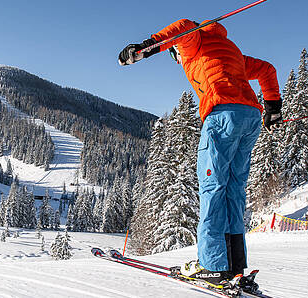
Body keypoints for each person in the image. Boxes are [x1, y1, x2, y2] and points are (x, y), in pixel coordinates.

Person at [118, 19, 282, 287]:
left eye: (176, 54)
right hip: (250, 118)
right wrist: (273, 107)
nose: (179, 60)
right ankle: (234, 265)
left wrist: (145, 47)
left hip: (223, 116)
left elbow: (183, 27)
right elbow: (267, 69)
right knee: (233, 188)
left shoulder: (195, 43)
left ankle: (212, 265)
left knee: (213, 187)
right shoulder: (232, 51)